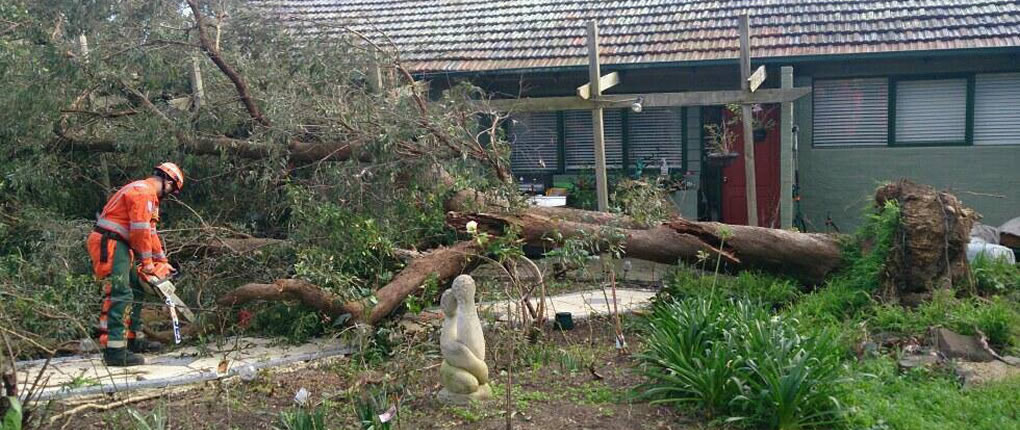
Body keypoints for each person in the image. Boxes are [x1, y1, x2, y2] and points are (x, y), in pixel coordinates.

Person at [87, 162, 183, 366]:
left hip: (119, 244)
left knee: (136, 289)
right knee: (119, 292)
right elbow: (139, 232)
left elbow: (151, 234)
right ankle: (114, 350)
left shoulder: (149, 198)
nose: (170, 194)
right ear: (167, 181)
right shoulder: (143, 193)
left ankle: (131, 339)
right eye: (172, 189)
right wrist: (148, 264)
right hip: (110, 242)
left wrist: (162, 261)